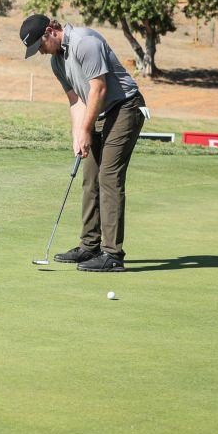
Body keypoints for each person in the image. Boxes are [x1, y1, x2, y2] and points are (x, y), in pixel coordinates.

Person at [19, 14, 146, 272]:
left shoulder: (84, 42)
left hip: (124, 107)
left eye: (40, 46)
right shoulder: (57, 62)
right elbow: (76, 100)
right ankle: (90, 246)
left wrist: (87, 128)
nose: (41, 52)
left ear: (50, 31)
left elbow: (98, 88)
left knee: (108, 177)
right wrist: (78, 133)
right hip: (97, 111)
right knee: (90, 177)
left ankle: (112, 254)